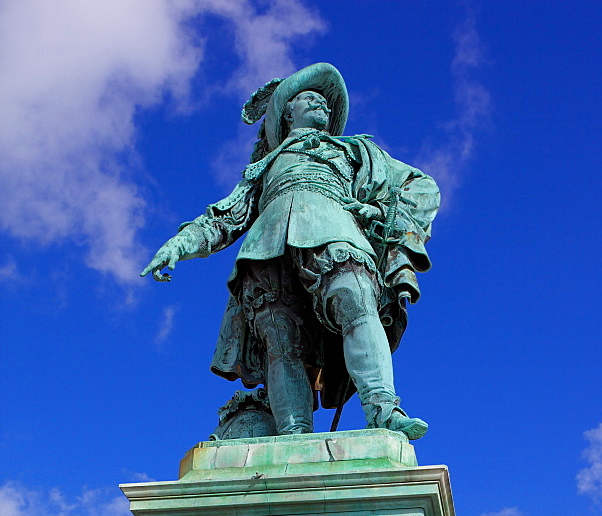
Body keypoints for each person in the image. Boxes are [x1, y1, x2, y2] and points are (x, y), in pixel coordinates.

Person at [141, 63, 440, 440]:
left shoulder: (357, 150)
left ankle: (383, 411)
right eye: (309, 98)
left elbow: (422, 185)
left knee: (356, 302)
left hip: (335, 228)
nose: (322, 105)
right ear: (287, 112)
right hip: (265, 249)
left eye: (326, 103)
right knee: (280, 342)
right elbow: (225, 218)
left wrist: (382, 214)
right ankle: (293, 436)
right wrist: (179, 244)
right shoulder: (262, 167)